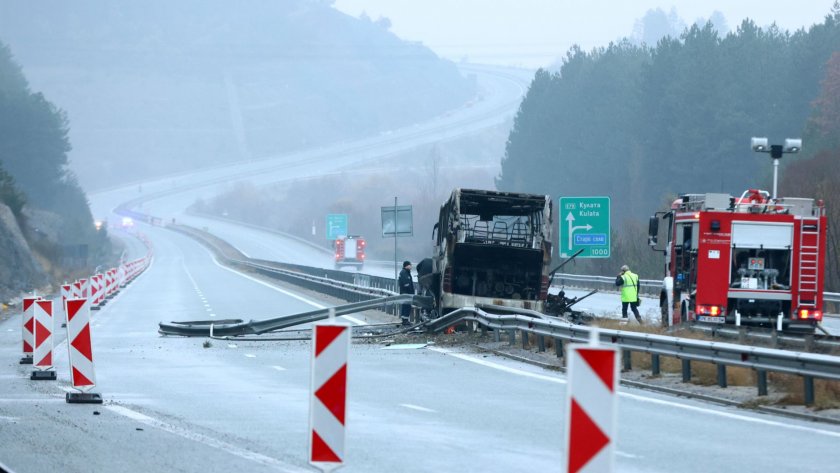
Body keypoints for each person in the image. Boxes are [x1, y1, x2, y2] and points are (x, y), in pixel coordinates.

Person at [398, 260, 415, 326]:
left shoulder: (406, 272)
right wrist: (410, 292)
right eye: (410, 265)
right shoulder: (404, 273)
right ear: (407, 266)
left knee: (406, 306)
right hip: (406, 293)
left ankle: (405, 320)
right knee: (406, 306)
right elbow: (406, 284)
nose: (411, 266)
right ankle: (405, 320)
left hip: (406, 293)